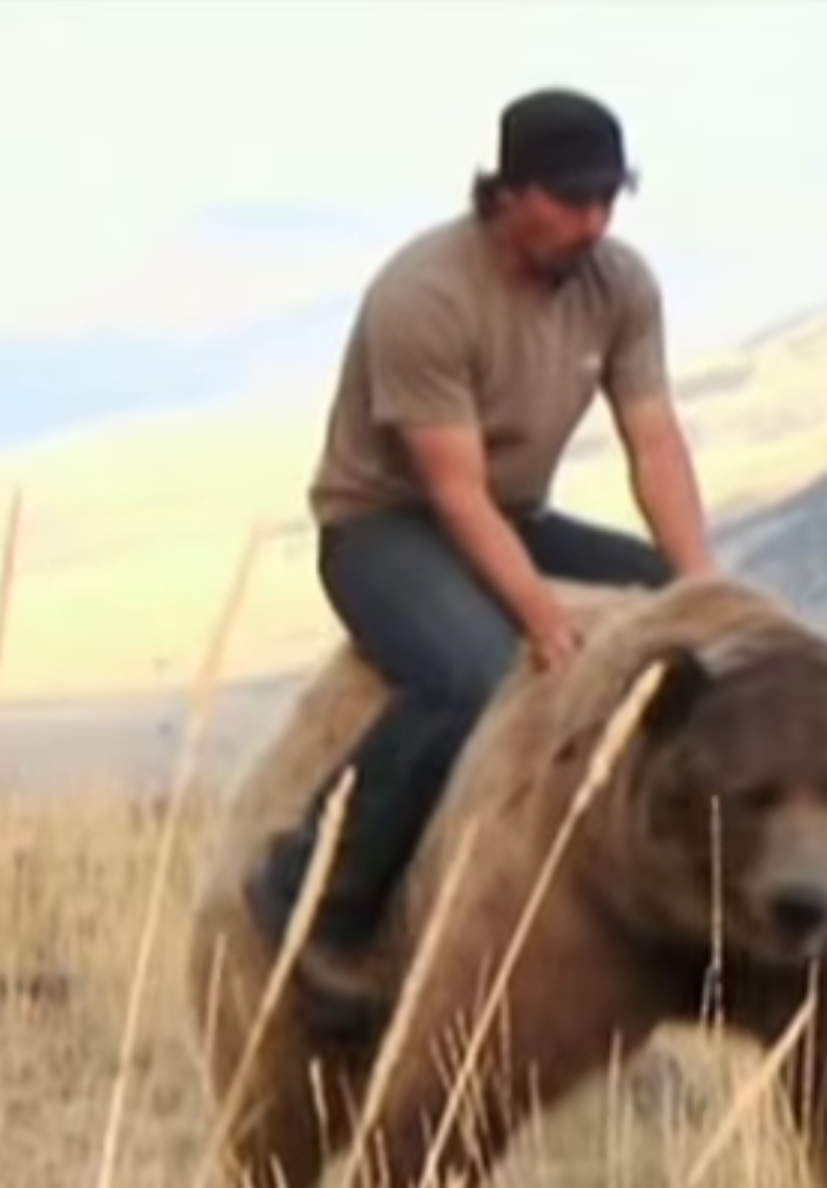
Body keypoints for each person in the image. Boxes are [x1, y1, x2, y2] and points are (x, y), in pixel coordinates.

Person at [244, 87, 719, 1028]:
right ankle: (314, 898)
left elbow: (655, 445)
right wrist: (543, 619)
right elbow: (451, 491)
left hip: (516, 513)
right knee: (470, 677)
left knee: (676, 614)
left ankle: (644, 898)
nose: (595, 221)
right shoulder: (425, 295)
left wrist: (704, 594)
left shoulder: (620, 285)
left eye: (608, 199)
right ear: (507, 195)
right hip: (383, 525)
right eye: (573, 200)